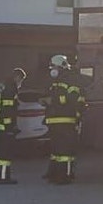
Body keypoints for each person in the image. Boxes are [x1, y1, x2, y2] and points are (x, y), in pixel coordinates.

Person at [42, 55, 87, 185]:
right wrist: (46, 101)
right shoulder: (57, 80)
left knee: (64, 151)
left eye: (53, 66)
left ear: (60, 66)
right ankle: (54, 174)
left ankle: (64, 177)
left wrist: (52, 100)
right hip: (55, 120)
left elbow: (72, 99)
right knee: (56, 150)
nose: (52, 69)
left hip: (66, 120)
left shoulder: (71, 79)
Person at [0, 68, 25, 185]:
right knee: (5, 153)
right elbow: (9, 107)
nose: (21, 83)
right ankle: (4, 177)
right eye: (21, 80)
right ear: (17, 77)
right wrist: (11, 125)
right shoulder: (11, 87)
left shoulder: (2, 84)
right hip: (5, 126)